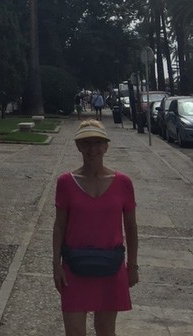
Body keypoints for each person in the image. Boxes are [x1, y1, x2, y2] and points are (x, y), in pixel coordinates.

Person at [53, 119, 138, 336]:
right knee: (74, 331)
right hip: (74, 266)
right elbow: (59, 226)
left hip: (111, 267)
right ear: (78, 146)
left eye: (98, 143)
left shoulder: (123, 183)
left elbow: (131, 226)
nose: (93, 149)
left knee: (106, 330)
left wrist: (133, 266)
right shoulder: (65, 182)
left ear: (106, 146)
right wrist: (56, 264)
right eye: (87, 143)